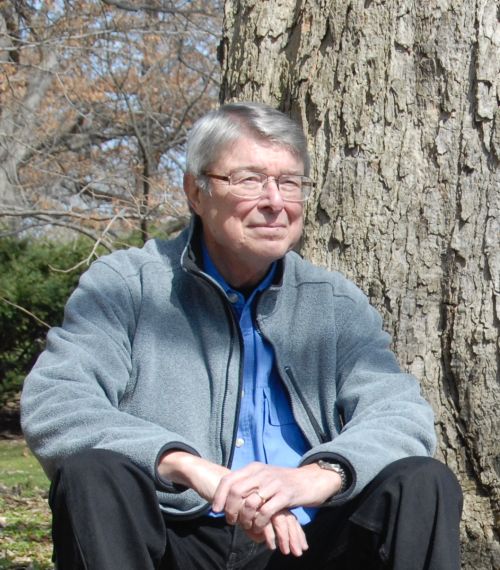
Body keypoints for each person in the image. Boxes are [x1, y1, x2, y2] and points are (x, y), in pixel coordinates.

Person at [21, 102, 462, 570]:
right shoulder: (128, 286)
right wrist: (187, 466)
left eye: (289, 182)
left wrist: (319, 475)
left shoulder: (332, 302)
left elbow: (400, 413)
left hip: (305, 541)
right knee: (93, 472)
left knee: (423, 481)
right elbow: (57, 402)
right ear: (196, 192)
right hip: (178, 533)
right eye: (249, 180)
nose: (275, 201)